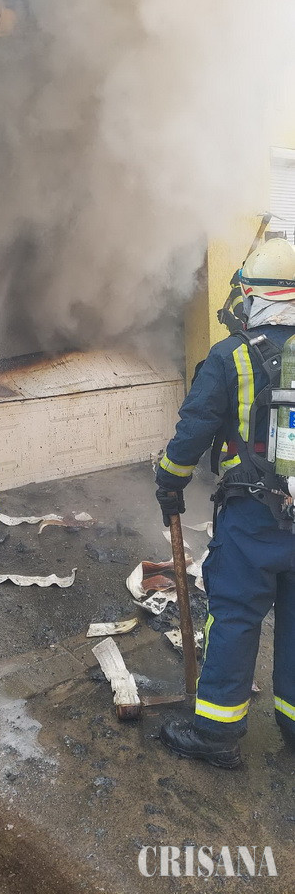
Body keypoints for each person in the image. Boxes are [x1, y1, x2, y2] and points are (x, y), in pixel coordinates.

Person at [155, 237, 295, 769]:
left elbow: (194, 431)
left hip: (254, 515)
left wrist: (169, 481)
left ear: (254, 295)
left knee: (235, 616)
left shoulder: (230, 355)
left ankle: (215, 734)